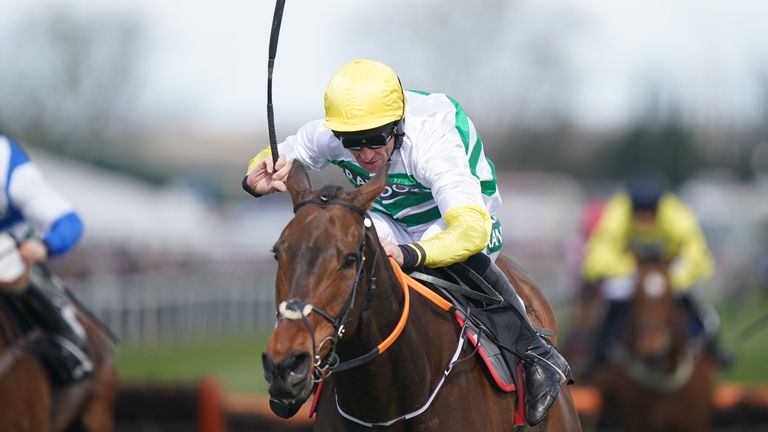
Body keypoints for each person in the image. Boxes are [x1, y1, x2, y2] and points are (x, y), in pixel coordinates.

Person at [243, 59, 572, 426]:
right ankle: (311, 362)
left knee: (450, 258)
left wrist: (408, 254)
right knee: (349, 254)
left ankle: (536, 355)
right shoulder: (330, 133)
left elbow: (469, 231)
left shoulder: (432, 141)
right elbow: (278, 156)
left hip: (460, 218)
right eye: (353, 143)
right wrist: (255, 176)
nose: (365, 154)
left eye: (375, 140)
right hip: (390, 217)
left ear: (397, 125)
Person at [581, 174, 730, 371]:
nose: (645, 218)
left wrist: (673, 280)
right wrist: (630, 271)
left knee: (695, 300)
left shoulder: (676, 213)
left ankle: (710, 345)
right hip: (633, 269)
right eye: (639, 211)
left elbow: (697, 253)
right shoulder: (618, 211)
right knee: (616, 293)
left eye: (650, 210)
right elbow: (598, 254)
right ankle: (602, 350)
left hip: (669, 269)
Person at [0, 133, 91, 383]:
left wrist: (45, 245)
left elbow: (69, 223)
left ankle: (67, 343)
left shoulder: (7, 163)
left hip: (9, 253)